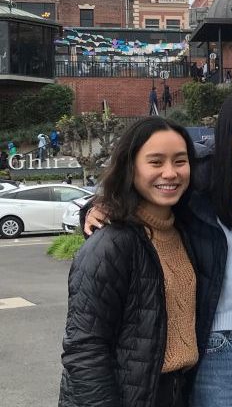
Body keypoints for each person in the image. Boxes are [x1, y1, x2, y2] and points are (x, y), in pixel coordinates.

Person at [85, 86, 232, 406]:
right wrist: (96, 207)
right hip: (219, 352)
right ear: (228, 130)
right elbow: (145, 191)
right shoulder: (198, 182)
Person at [59, 117, 198, 407]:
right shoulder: (111, 243)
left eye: (180, 161)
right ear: (130, 167)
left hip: (181, 392)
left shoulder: (185, 232)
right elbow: (85, 349)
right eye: (156, 162)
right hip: (131, 396)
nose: (170, 173)